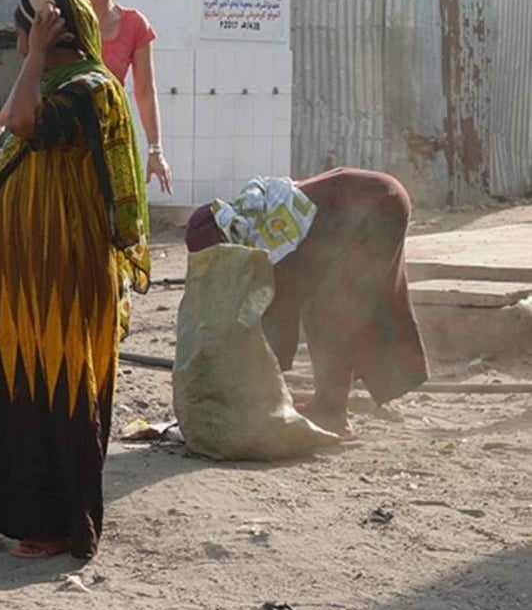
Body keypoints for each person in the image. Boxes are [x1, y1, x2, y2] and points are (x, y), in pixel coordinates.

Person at [0, 0, 149, 561]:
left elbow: (22, 123)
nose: (17, 39)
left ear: (46, 31)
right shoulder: (49, 84)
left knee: (59, 390)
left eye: (24, 29)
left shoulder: (91, 89)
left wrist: (37, 54)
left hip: (68, 274)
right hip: (21, 273)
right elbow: (18, 158)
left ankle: (57, 524)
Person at [184, 169, 429, 436]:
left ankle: (332, 414)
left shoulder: (272, 234)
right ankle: (328, 406)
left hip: (377, 206)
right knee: (329, 307)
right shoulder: (251, 214)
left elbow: (279, 311)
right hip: (375, 199)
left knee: (332, 311)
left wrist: (252, 384)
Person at [0, 0, 171, 196]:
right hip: (60, 126)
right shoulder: (66, 20)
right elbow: (37, 74)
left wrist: (155, 149)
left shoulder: (134, 25)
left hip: (102, 127)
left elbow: (145, 91)